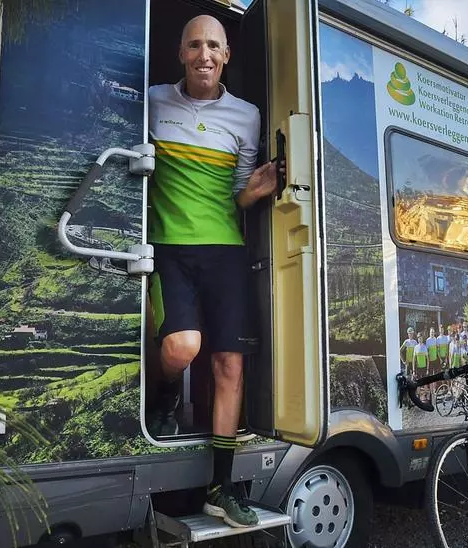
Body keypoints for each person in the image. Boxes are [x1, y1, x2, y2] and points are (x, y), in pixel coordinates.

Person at [143, 14, 281, 529]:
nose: (204, 55)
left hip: (226, 251)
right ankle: (164, 393)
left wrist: (256, 191)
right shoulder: (152, 101)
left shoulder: (247, 115)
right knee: (182, 347)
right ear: (181, 53)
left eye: (214, 47)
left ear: (226, 56)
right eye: (195, 45)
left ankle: (221, 488)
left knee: (229, 366)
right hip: (170, 247)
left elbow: (238, 194)